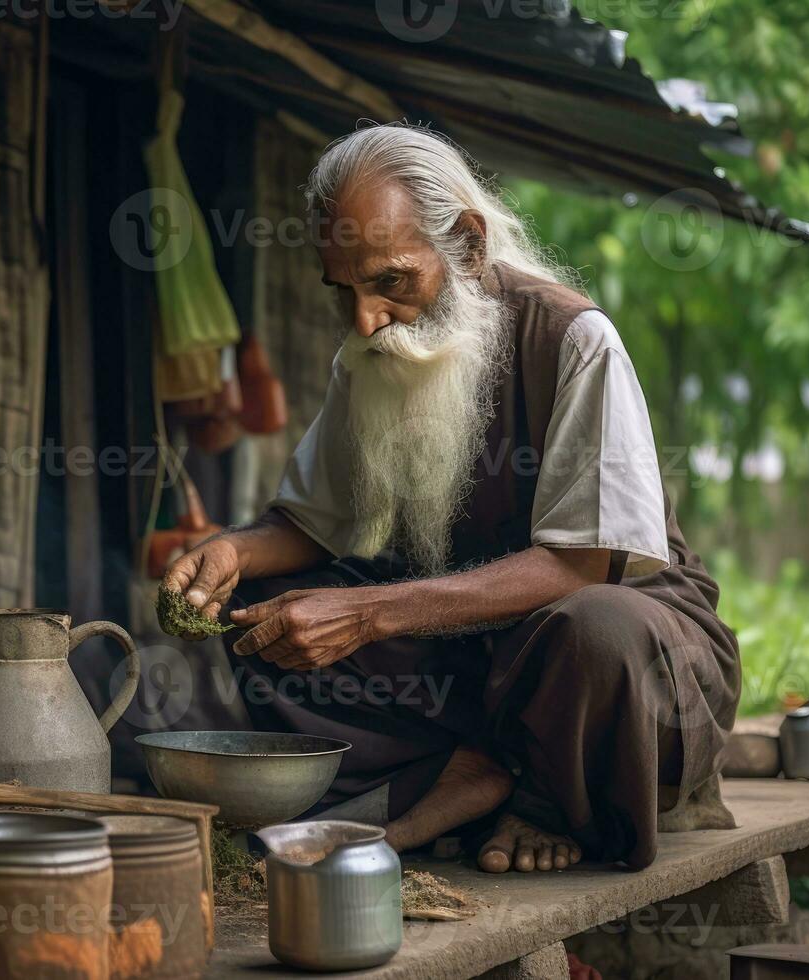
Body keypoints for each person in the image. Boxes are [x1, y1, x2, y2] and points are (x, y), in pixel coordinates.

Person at [162, 123, 740, 872]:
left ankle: (543, 800)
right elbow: (312, 524)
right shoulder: (371, 349)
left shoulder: (574, 339)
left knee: (596, 630)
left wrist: (367, 615)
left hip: (615, 660)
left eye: (392, 281)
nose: (365, 318)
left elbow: (583, 565)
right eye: (345, 289)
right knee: (266, 608)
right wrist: (231, 552)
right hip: (469, 655)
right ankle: (465, 776)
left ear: (467, 245)